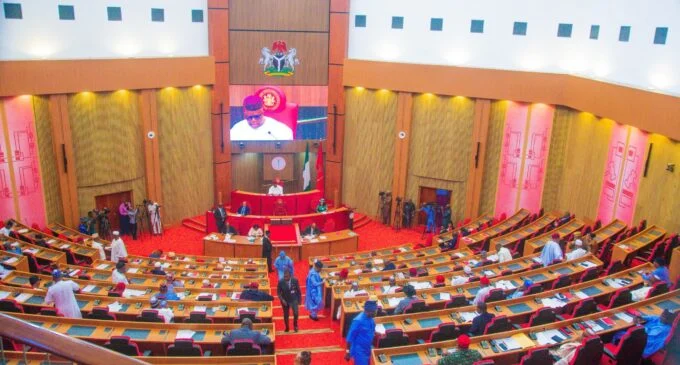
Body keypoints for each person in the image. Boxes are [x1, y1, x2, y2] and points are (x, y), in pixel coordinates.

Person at [611, 309, 676, 359]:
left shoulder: (664, 329)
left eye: (664, 317)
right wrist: (640, 317)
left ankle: (616, 353)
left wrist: (638, 324)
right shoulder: (659, 319)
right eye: (662, 315)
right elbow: (651, 317)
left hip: (646, 343)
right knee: (623, 333)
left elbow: (644, 334)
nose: (661, 317)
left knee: (619, 334)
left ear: (668, 320)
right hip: (642, 336)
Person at [344, 299, 378, 365]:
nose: (375, 313)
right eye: (374, 311)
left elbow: (371, 331)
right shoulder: (358, 321)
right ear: (368, 311)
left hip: (368, 348)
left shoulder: (371, 319)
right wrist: (347, 352)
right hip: (360, 351)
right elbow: (350, 337)